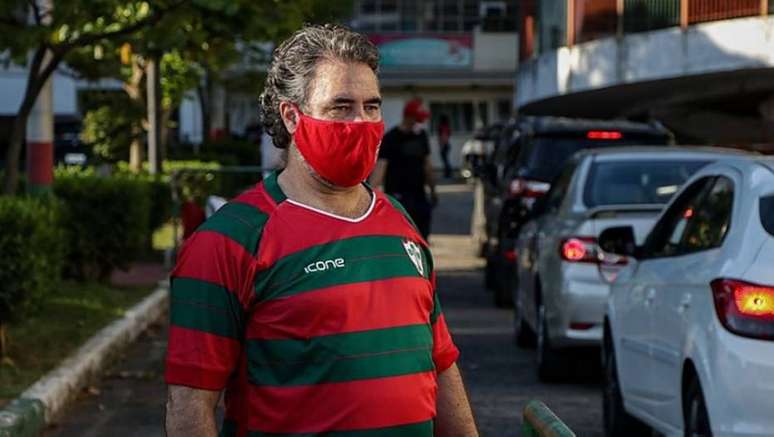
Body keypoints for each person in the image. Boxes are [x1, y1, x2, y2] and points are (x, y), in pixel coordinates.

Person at [164, 24, 478, 437]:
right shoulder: (229, 240)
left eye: (371, 106)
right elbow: (189, 406)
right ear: (292, 116)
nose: (361, 122)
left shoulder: (399, 221)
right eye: (341, 107)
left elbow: (439, 361)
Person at [370, 98, 438, 240]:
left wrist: (433, 190)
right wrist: (371, 196)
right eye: (417, 119)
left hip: (419, 196)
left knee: (422, 238)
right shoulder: (391, 138)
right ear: (408, 117)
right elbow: (381, 168)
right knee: (401, 238)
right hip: (397, 197)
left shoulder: (421, 137)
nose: (419, 123)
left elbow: (428, 166)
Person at [438, 114, 453, 179]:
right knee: (446, 159)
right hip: (447, 144)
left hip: (444, 144)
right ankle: (448, 173)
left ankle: (448, 174)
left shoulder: (442, 127)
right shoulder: (447, 126)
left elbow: (444, 136)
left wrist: (442, 145)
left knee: (445, 160)